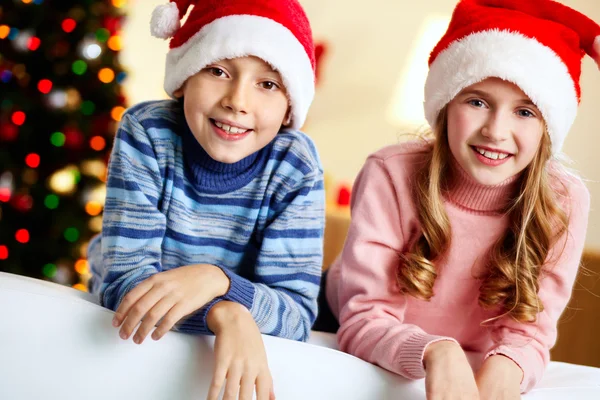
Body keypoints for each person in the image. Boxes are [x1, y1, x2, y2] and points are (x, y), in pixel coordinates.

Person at [322, 0, 600, 398]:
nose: (496, 131)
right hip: (347, 318)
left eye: (524, 111)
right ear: (446, 105)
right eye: (477, 102)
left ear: (547, 127)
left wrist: (507, 367)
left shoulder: (564, 199)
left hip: (470, 353)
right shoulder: (392, 173)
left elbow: (529, 334)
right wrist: (438, 350)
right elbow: (364, 316)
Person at [87, 1, 324, 398]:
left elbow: (297, 316)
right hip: (132, 354)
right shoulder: (147, 132)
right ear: (184, 77)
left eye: (267, 84)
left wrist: (218, 281)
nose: (237, 100)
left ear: (288, 108)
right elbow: (127, 287)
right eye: (218, 70)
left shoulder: (295, 166)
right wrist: (224, 311)